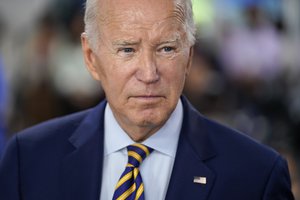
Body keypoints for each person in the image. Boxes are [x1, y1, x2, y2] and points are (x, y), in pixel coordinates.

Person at [0, 0, 294, 199]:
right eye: (127, 50)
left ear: (189, 56)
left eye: (166, 49)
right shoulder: (28, 160)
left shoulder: (257, 176)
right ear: (91, 58)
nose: (149, 73)